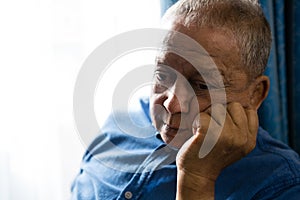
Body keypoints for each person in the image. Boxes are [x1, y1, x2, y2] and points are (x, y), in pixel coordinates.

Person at [71, 0, 300, 199]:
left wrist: (197, 180)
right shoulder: (118, 124)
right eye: (163, 75)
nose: (172, 104)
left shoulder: (281, 184)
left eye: (202, 85)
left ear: (255, 94)